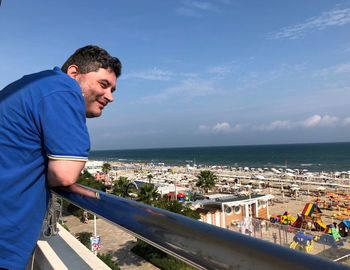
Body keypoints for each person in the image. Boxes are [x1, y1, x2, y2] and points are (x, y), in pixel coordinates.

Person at [0, 45, 122, 269]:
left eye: (113, 89)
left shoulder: (36, 84)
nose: (110, 97)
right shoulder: (64, 89)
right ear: (74, 74)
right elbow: (64, 176)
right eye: (103, 84)